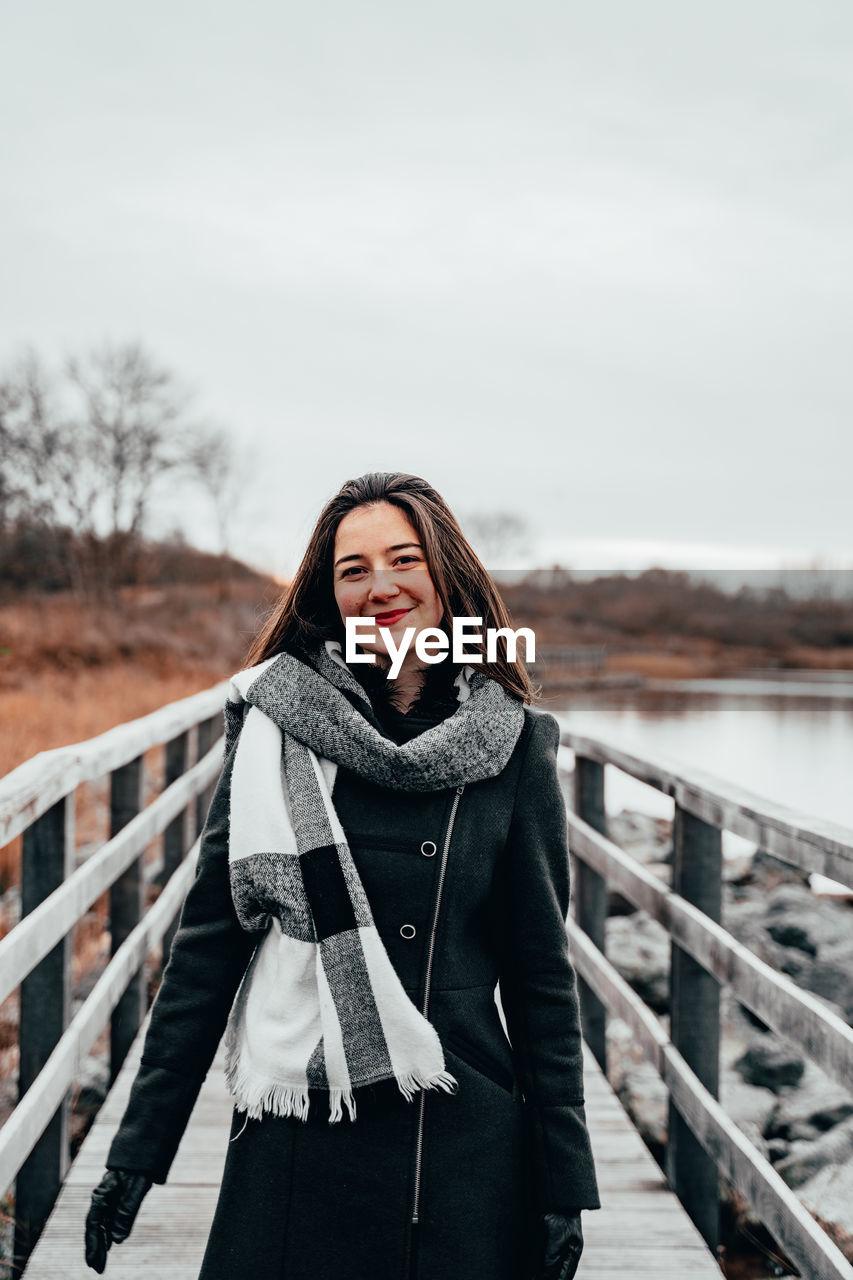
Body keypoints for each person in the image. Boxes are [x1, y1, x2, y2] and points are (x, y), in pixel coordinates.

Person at [84, 471, 601, 1280]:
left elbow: (540, 975)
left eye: (404, 560)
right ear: (330, 595)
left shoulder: (516, 746)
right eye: (352, 569)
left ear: (447, 576)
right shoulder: (275, 729)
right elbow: (207, 950)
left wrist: (564, 1179)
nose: (381, 587)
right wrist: (137, 1151)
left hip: (458, 1137)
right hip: (304, 1135)